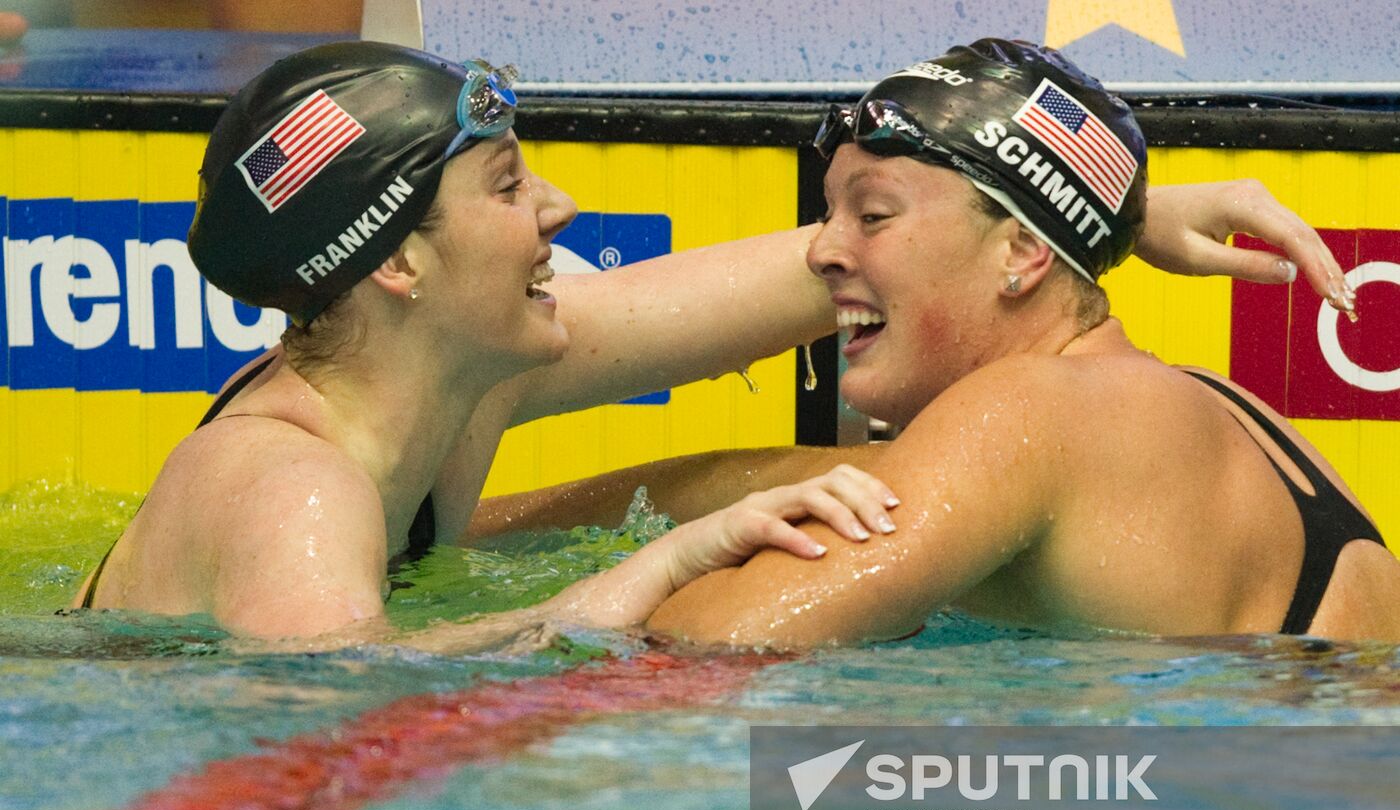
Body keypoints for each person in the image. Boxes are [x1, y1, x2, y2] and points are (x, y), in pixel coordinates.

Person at [72, 41, 1356, 648]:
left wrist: (1108, 213)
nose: (559, 212)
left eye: (872, 214)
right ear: (399, 264)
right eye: (512, 185)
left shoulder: (434, 376)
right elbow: (321, 724)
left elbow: (734, 630)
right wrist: (639, 566)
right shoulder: (307, 482)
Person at [488, 40, 1400, 645]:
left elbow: (701, 651)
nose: (820, 250)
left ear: (1022, 252)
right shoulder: (1217, 411)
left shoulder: (1029, 412)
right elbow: (783, 482)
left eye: (873, 214)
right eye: (828, 210)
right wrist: (503, 530)